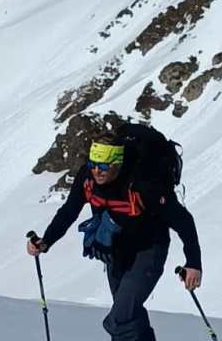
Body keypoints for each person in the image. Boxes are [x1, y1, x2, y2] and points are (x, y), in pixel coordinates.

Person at [27, 131, 203, 341]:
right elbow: (69, 211)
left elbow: (183, 221)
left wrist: (194, 262)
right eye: (93, 164)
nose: (96, 171)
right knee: (130, 315)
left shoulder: (143, 184)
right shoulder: (88, 179)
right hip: (115, 253)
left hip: (149, 250)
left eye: (103, 166)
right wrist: (46, 240)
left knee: (120, 316)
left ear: (117, 163)